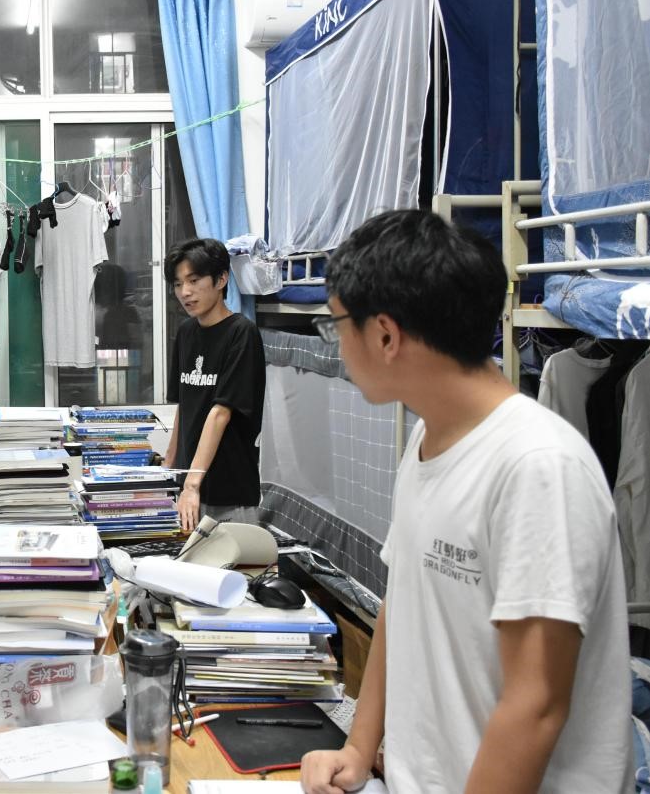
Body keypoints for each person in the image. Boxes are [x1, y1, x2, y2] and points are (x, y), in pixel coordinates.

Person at [300, 210, 633, 794]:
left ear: (385, 335)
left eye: (338, 326)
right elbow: (402, 602)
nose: (339, 346)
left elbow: (536, 705)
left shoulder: (538, 466)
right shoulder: (427, 440)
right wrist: (358, 747)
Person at [162, 238, 266, 531]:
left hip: (229, 490)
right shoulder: (186, 333)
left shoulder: (242, 334)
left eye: (194, 280)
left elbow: (221, 412)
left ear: (221, 280)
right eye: (178, 284)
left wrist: (192, 484)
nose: (185, 292)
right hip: (189, 488)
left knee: (234, 561)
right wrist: (169, 468)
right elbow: (185, 406)